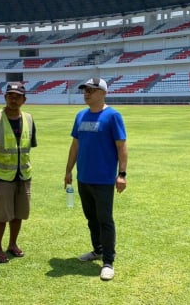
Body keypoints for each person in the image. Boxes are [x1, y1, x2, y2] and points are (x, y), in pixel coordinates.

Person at [64, 77, 128, 281]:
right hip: (84, 177)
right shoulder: (80, 116)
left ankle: (108, 261)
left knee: (105, 219)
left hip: (103, 180)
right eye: (85, 90)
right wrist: (68, 171)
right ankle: (97, 250)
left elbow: (121, 146)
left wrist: (122, 174)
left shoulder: (112, 116)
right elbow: (75, 145)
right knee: (91, 218)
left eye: (91, 90)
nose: (86, 93)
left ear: (103, 93)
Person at [0, 82, 37, 264]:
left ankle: (12, 244)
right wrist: (0, 162)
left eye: (17, 96)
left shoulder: (28, 119)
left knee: (19, 213)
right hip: (3, 176)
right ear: (5, 98)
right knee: (1, 215)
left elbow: (28, 146)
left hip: (24, 174)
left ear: (24, 99)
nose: (14, 99)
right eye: (10, 96)